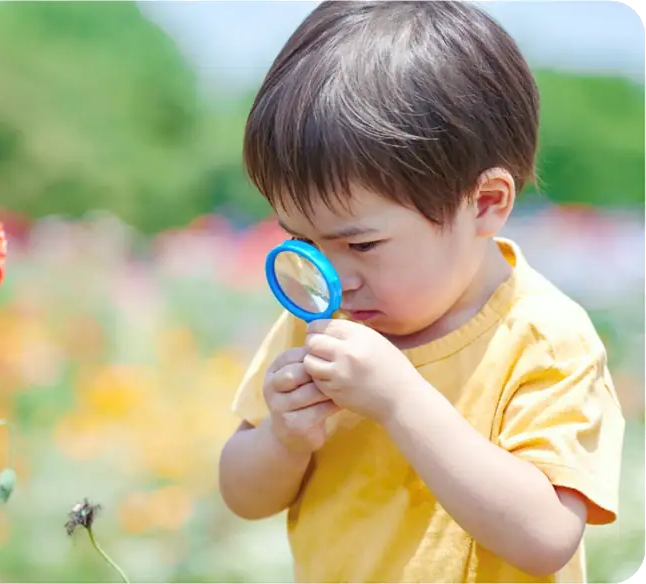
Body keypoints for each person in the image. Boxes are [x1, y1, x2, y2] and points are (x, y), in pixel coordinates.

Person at [217, 2, 625, 582]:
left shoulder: (543, 339)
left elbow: (545, 538)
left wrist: (400, 399)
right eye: (302, 241)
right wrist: (284, 439)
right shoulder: (322, 324)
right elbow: (243, 495)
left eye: (361, 246)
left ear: (484, 204)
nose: (334, 280)